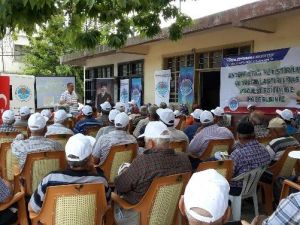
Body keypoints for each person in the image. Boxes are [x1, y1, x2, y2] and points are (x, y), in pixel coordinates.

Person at [114, 121, 192, 225]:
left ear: (151, 143)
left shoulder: (143, 162)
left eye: (145, 142)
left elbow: (120, 186)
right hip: (174, 213)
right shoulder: (184, 159)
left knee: (114, 197)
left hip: (141, 216)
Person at [28, 133, 111, 213]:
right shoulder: (101, 181)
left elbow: (32, 207)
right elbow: (106, 207)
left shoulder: (50, 179)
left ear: (66, 157)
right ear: (90, 157)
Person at [229, 121, 270, 196]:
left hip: (236, 189)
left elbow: (229, 174)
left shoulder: (237, 154)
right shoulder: (264, 149)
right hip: (253, 186)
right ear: (254, 134)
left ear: (238, 136)